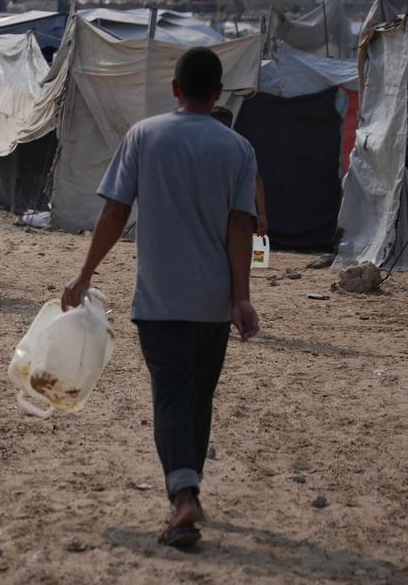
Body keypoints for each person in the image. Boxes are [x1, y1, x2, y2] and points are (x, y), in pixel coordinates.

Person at [62, 47, 260, 549]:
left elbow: (113, 213)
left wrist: (85, 273)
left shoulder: (144, 136)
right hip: (213, 304)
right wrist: (242, 298)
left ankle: (184, 496)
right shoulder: (238, 149)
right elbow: (241, 226)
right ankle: (187, 489)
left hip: (160, 300)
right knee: (198, 399)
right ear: (218, 94)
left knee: (170, 397)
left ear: (175, 89)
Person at [212, 107, 269, 238]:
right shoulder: (243, 145)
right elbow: (256, 179)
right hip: (235, 211)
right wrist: (261, 213)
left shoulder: (203, 144)